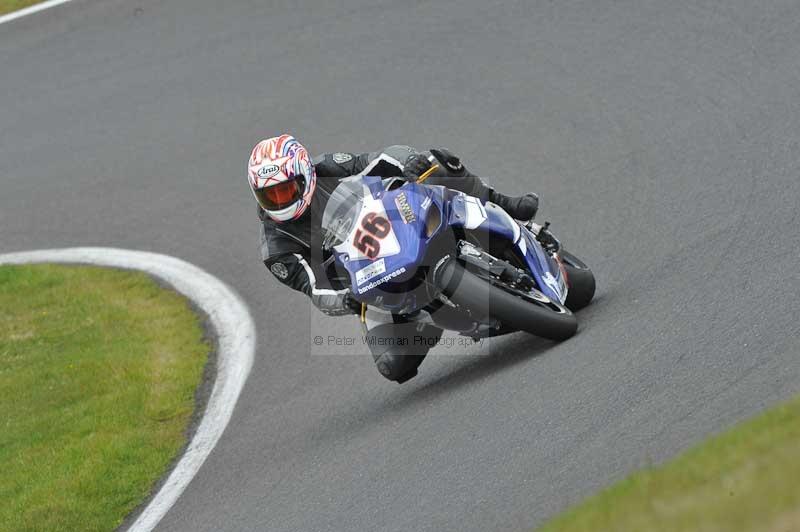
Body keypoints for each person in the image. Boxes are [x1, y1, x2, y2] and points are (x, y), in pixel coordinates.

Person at [249, 134, 540, 383]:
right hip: (367, 286)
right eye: (270, 196)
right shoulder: (276, 249)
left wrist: (408, 161)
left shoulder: (327, 167)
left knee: (436, 165)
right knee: (394, 365)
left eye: (286, 190)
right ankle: (428, 320)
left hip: (395, 225)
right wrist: (346, 299)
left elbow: (375, 160)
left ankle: (506, 206)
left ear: (306, 173)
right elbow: (315, 289)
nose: (281, 201)